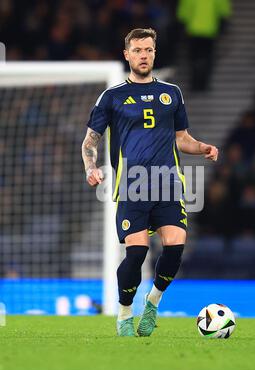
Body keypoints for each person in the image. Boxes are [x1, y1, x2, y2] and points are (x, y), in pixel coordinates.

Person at [81, 28, 218, 337]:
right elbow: (90, 141)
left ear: (155, 54)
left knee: (174, 248)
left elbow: (182, 139)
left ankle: (153, 303)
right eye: (138, 50)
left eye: (149, 50)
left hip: (169, 183)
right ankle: (125, 313)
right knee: (137, 253)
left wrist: (203, 147)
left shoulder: (172, 93)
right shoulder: (112, 96)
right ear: (126, 54)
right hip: (132, 185)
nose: (144, 55)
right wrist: (91, 167)